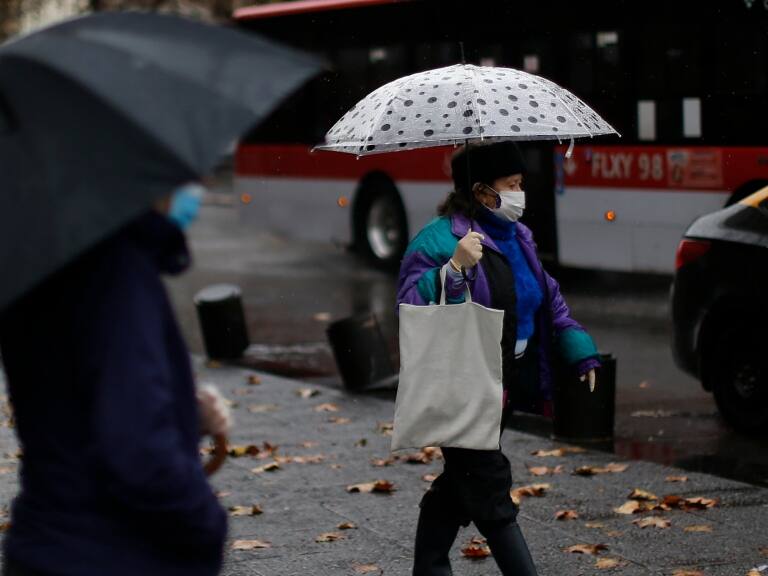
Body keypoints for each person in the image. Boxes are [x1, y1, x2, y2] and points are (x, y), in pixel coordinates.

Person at [0, 182, 231, 576]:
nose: (193, 187)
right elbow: (139, 451)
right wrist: (206, 522)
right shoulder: (115, 269)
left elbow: (68, 401)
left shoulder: (34, 258)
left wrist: (180, 412)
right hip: (115, 550)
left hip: (48, 541)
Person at [396, 141, 601, 576]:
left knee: (460, 481)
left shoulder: (518, 238)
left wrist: (580, 350)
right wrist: (452, 270)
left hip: (505, 381)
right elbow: (410, 307)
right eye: (511, 185)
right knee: (489, 485)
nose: (519, 193)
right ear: (481, 191)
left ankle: (429, 566)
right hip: (463, 384)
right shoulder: (439, 240)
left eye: (520, 184)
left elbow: (548, 300)